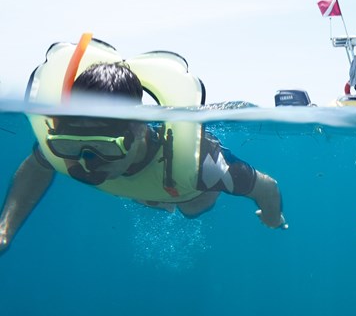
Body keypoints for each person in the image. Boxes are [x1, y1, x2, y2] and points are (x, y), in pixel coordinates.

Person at [0, 37, 286, 255]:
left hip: (186, 192)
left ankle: (165, 199)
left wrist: (272, 217)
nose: (87, 163)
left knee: (191, 209)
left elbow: (266, 187)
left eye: (106, 148)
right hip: (150, 185)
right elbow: (37, 166)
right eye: (70, 146)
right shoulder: (67, 150)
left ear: (138, 129)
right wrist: (5, 230)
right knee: (145, 196)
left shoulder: (201, 165)